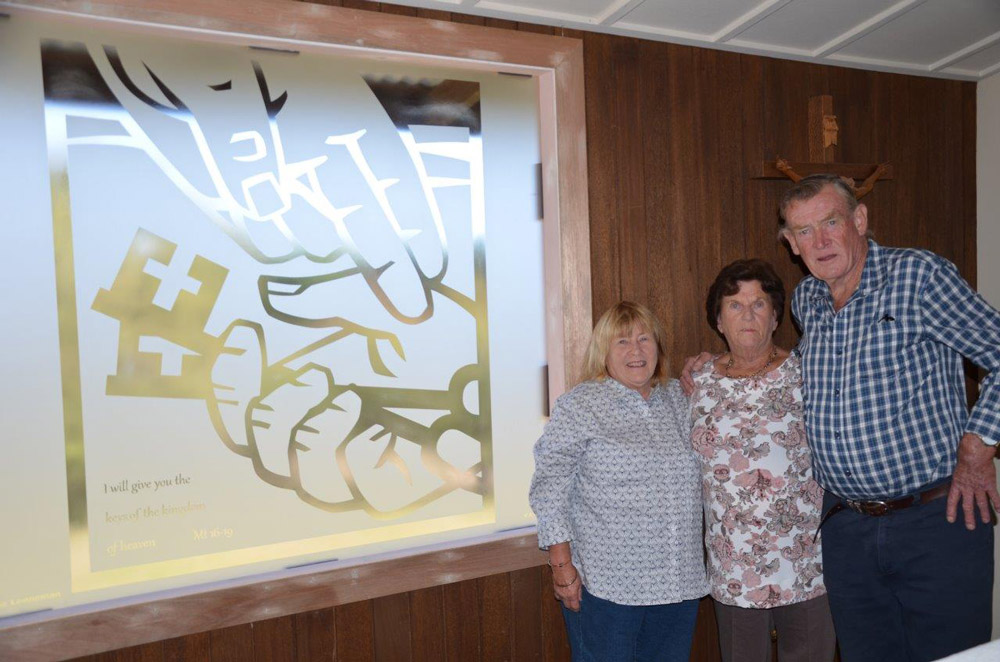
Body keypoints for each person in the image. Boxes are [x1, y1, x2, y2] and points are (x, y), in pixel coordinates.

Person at [684, 173, 1000, 661]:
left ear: (859, 219)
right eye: (804, 231)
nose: (821, 240)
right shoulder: (808, 302)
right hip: (845, 530)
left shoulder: (917, 276)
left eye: (831, 221)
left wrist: (978, 447)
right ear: (791, 243)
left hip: (934, 519)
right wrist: (708, 365)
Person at [530, 301, 708, 662]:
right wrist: (561, 567)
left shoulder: (680, 396)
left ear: (658, 346)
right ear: (603, 352)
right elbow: (550, 488)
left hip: (678, 585)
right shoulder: (580, 405)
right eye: (622, 342)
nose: (636, 351)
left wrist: (709, 361)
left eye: (644, 339)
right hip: (607, 589)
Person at [691, 259, 835, 662]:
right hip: (733, 563)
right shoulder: (698, 383)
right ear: (718, 320)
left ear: (775, 317)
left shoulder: (808, 374)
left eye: (759, 304)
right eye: (735, 305)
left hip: (804, 560)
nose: (747, 314)